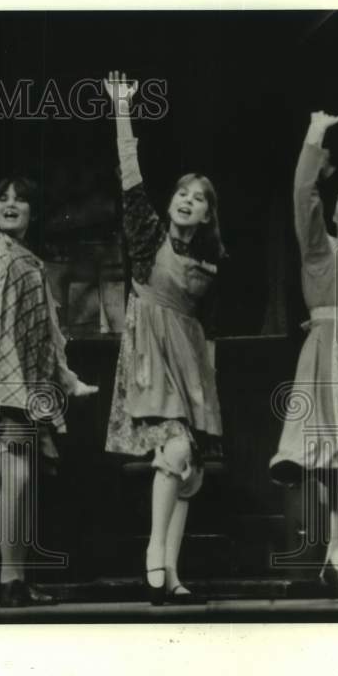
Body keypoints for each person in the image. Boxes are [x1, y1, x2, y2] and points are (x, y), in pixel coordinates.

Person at [0, 77, 97, 608]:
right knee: (17, 472)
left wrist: (69, 380)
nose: (9, 204)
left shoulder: (34, 266)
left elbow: (49, 333)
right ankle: (10, 579)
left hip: (27, 386)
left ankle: (18, 575)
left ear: (33, 213)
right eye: (3, 198)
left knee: (25, 479)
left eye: (20, 201)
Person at [102, 71, 226, 606]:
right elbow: (130, 180)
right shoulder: (149, 236)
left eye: (198, 198)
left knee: (189, 470)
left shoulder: (211, 263)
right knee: (172, 449)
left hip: (191, 364)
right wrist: (122, 110)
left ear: (206, 213)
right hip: (151, 356)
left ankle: (170, 576)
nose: (187, 201)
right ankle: (155, 554)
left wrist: (209, 389)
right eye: (181, 192)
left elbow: (209, 330)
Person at [269, 111, 338, 602]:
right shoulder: (321, 250)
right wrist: (314, 133)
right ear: (333, 215)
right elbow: (302, 194)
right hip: (330, 357)